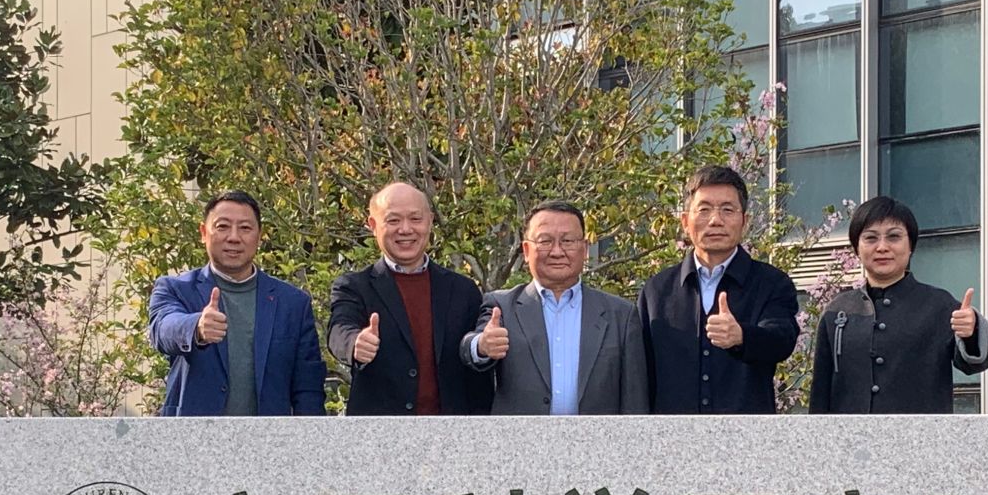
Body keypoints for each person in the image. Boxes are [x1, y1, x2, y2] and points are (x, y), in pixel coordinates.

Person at [809, 195, 988, 414]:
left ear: (911, 246)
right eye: (870, 238)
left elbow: (975, 363)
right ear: (856, 248)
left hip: (921, 433)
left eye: (894, 237)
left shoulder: (938, 305)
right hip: (848, 435)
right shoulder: (837, 310)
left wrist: (971, 330)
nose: (882, 247)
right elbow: (820, 392)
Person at [145, 190, 327, 416]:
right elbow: (163, 329)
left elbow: (308, 389)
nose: (234, 237)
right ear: (203, 233)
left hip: (270, 435)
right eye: (222, 226)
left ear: (259, 236)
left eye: (245, 228)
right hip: (194, 433)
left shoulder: (292, 303)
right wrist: (196, 327)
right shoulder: (176, 289)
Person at [459, 200, 650, 415]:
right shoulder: (501, 306)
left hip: (598, 436)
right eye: (545, 241)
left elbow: (635, 400)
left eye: (567, 241)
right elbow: (469, 347)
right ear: (526, 250)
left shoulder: (621, 315)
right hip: (521, 436)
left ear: (585, 249)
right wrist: (482, 345)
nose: (557, 252)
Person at [637, 164, 800, 414]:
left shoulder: (772, 283)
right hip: (672, 434)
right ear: (685, 222)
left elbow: (782, 340)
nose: (715, 220)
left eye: (727, 210)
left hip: (747, 433)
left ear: (745, 221)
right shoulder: (657, 290)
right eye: (704, 210)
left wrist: (742, 336)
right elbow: (639, 370)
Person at [328, 180, 492, 415]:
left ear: (430, 221)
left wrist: (484, 346)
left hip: (453, 429)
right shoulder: (355, 287)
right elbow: (339, 329)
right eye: (393, 220)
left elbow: (476, 359)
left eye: (415, 219)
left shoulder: (463, 290)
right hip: (380, 430)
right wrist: (355, 343)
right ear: (373, 225)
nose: (405, 229)